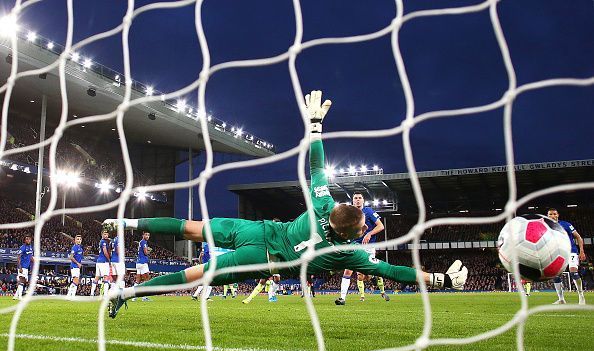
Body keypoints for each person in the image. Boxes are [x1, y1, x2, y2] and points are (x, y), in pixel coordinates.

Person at [105, 90, 468, 318]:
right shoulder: (347, 252)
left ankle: (127, 224)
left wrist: (315, 126)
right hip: (262, 259)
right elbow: (394, 273)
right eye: (362, 227)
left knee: (191, 227)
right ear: (352, 233)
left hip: (258, 230)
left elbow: (317, 168)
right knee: (194, 276)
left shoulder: (325, 206)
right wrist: (437, 279)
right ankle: (128, 292)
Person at [336, 192, 388, 305]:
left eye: (360, 198)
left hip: (369, 246)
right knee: (348, 271)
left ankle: (373, 277)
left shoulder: (368, 211)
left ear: (363, 200)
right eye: (355, 198)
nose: (358, 200)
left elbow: (381, 226)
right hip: (354, 245)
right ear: (353, 201)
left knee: (367, 274)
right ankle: (342, 298)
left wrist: (369, 234)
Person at [547, 208, 586, 305]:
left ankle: (581, 296)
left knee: (573, 271)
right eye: (550, 214)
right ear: (547, 216)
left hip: (571, 251)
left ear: (558, 215)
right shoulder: (546, 227)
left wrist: (581, 251)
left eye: (554, 214)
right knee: (555, 275)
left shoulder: (566, 224)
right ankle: (561, 299)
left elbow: (578, 237)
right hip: (558, 253)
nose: (552, 216)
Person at [91, 230, 111, 297]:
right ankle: (105, 295)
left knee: (97, 277)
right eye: (104, 234)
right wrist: (109, 260)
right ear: (102, 235)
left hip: (99, 261)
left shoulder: (102, 241)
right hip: (103, 262)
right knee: (106, 277)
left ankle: (91, 294)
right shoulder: (103, 242)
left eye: (107, 234)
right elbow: (105, 252)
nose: (106, 235)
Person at [13, 235, 33, 300]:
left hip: (26, 268)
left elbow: (30, 257)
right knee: (22, 281)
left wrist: (32, 264)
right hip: (22, 267)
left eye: (29, 239)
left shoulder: (30, 247)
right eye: (26, 239)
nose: (28, 240)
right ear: (24, 240)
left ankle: (16, 295)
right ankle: (20, 297)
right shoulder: (22, 247)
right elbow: (18, 257)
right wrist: (20, 267)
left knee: (23, 282)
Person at [133, 231, 152, 302]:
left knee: (138, 280)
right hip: (143, 262)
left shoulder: (141, 242)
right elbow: (145, 252)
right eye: (146, 235)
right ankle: (144, 297)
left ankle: (133, 296)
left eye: (148, 235)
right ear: (143, 235)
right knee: (147, 279)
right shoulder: (143, 242)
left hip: (138, 263)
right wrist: (149, 251)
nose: (147, 236)